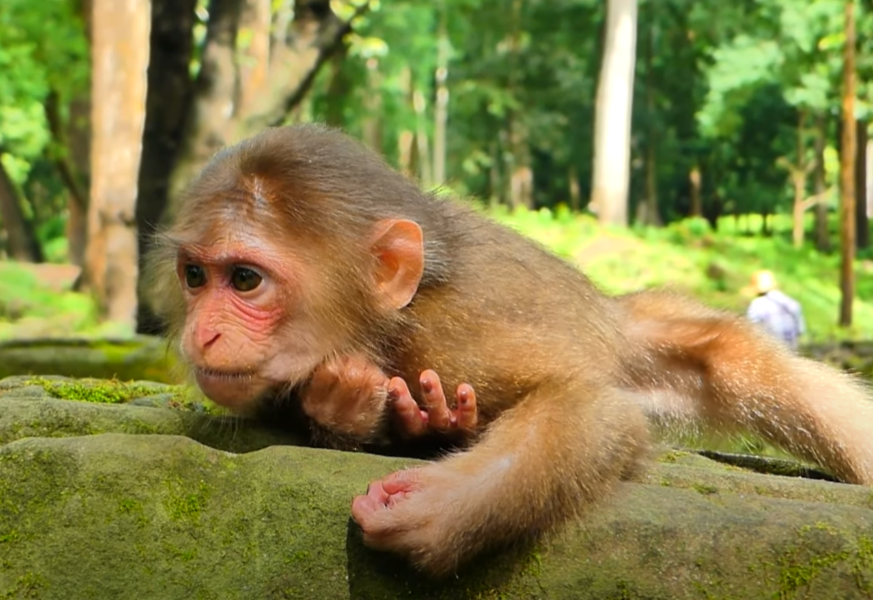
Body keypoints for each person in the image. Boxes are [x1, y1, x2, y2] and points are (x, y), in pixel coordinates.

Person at [746, 270, 806, 350]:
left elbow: (751, 332)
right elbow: (800, 330)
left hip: (769, 352)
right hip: (791, 352)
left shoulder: (756, 305)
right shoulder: (791, 303)